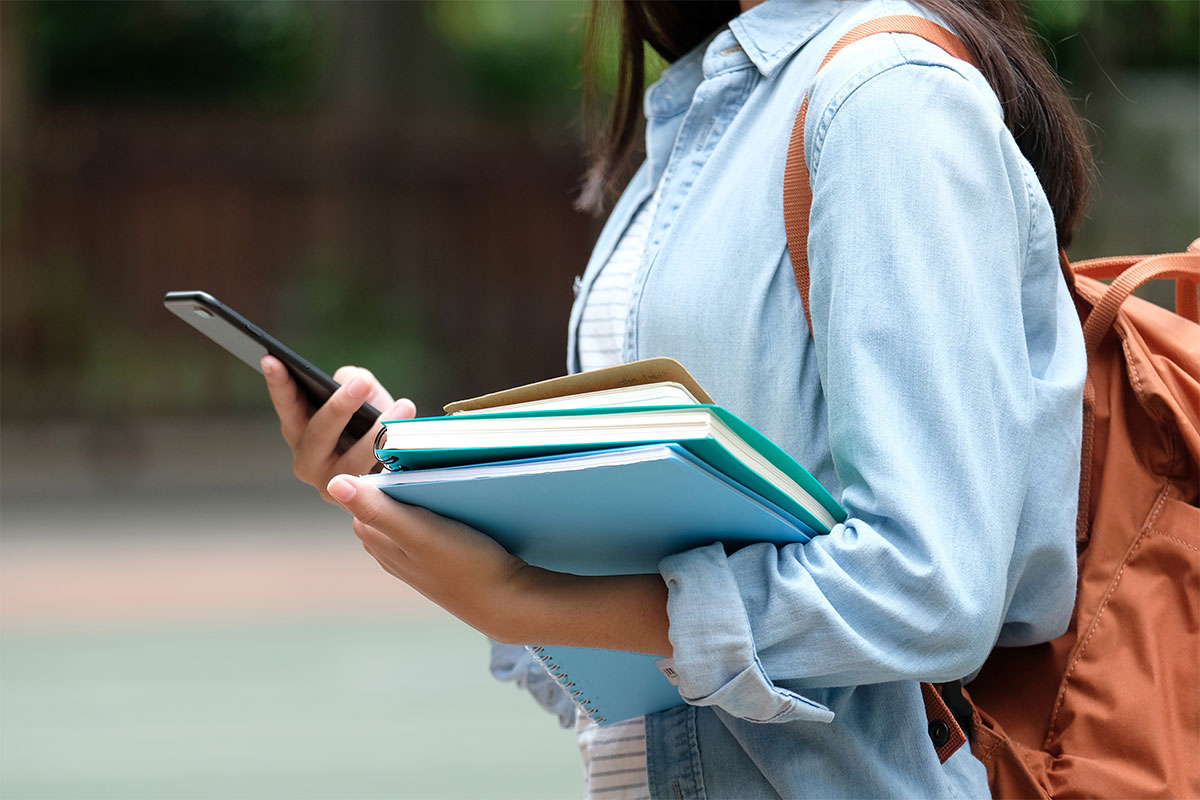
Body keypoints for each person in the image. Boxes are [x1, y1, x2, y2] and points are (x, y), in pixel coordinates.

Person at [261, 0, 1091, 796]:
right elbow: (645, 681)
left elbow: (929, 587)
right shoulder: (717, 106)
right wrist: (416, 491)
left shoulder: (886, 95)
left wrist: (527, 599)